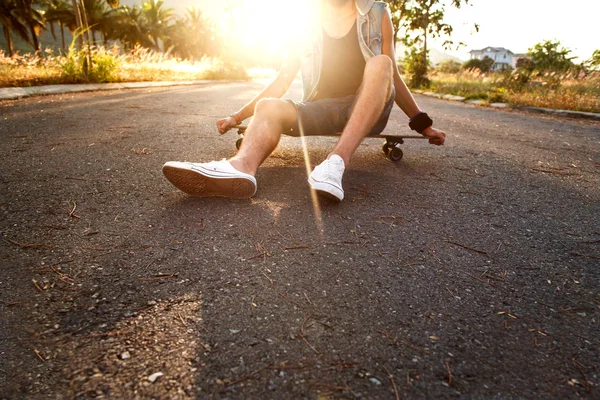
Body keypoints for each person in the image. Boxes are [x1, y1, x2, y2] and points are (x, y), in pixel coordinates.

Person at [162, 0, 446, 202]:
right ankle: (240, 169)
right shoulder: (303, 24)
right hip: (324, 107)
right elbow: (282, 79)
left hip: (368, 108)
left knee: (381, 63)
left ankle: (335, 164)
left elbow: (392, 75)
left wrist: (422, 125)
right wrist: (238, 117)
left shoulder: (377, 13)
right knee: (269, 106)